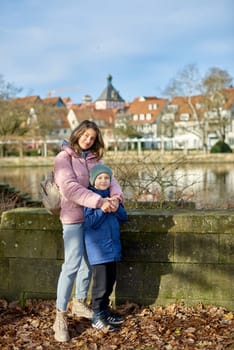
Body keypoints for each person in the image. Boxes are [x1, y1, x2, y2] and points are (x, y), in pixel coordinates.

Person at [52, 120, 123, 342]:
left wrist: (115, 199)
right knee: (72, 264)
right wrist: (98, 202)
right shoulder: (63, 158)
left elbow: (112, 181)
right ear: (77, 134)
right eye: (85, 135)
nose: (88, 140)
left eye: (92, 138)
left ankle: (80, 303)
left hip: (95, 220)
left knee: (88, 265)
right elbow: (70, 188)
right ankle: (60, 316)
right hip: (74, 218)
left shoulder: (95, 159)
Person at [84, 164, 128, 332]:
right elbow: (89, 222)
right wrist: (102, 208)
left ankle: (105, 311)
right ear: (93, 180)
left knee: (110, 283)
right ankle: (97, 315)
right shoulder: (90, 198)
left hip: (113, 249)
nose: (103, 181)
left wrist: (115, 206)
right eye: (100, 178)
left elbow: (124, 217)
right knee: (100, 285)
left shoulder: (112, 196)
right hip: (98, 250)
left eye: (107, 178)